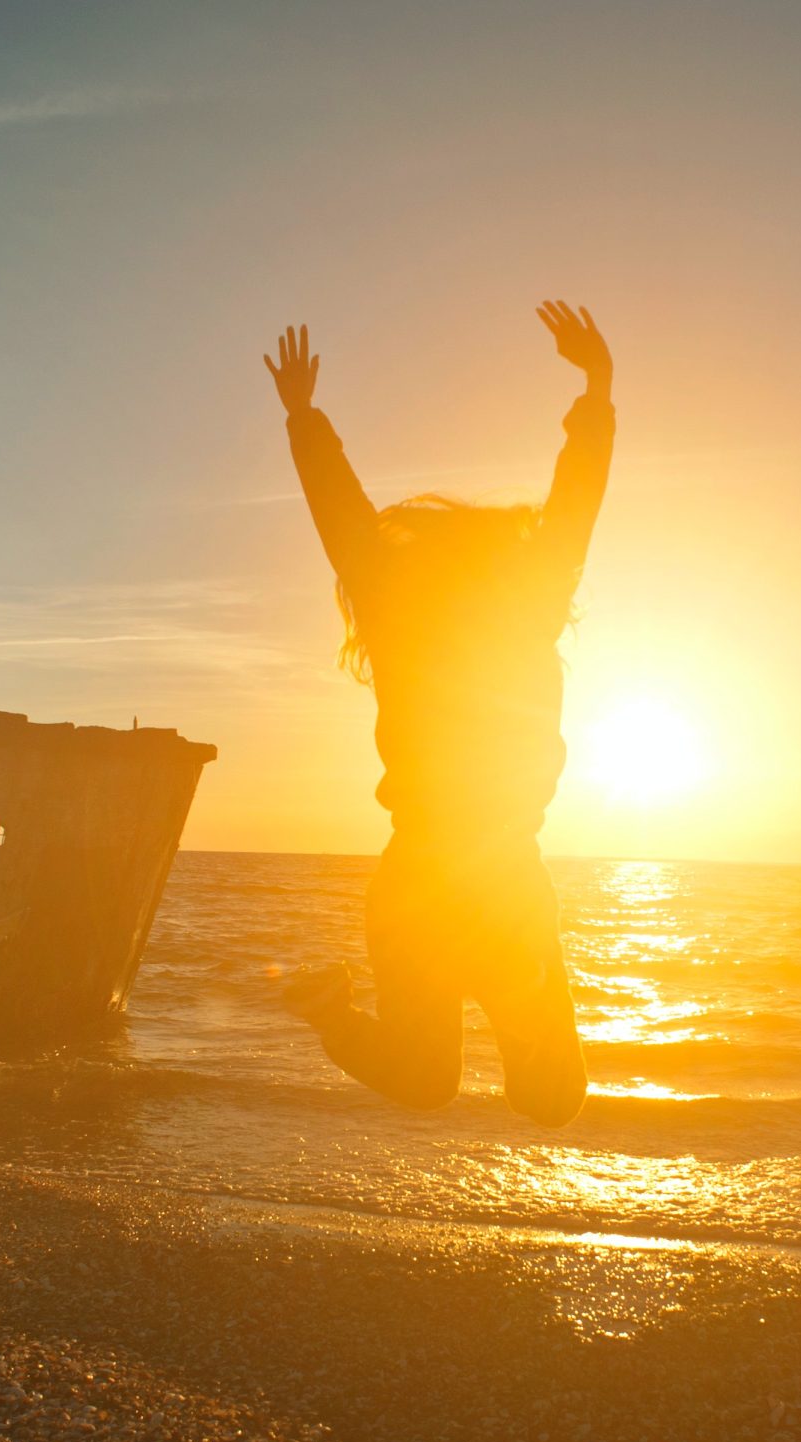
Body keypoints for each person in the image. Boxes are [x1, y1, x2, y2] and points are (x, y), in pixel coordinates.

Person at [264, 303, 615, 1128]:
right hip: (500, 879)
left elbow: (346, 526)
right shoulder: (524, 607)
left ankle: (328, 1010)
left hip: (421, 880)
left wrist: (305, 418)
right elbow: (575, 508)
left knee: (429, 1082)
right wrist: (596, 386)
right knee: (554, 1100)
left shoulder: (400, 617)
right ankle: (514, 994)